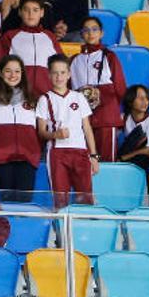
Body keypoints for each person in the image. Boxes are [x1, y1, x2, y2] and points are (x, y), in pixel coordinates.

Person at [36, 54, 100, 209]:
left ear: (69, 74)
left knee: (85, 197)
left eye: (63, 72)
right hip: (57, 153)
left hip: (80, 152)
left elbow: (87, 128)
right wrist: (55, 135)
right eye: (55, 73)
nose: (59, 77)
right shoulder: (45, 99)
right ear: (49, 75)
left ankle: (84, 231)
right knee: (60, 198)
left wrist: (93, 155)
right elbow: (41, 131)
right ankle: (61, 232)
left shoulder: (78, 97)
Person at [70, 16, 127, 161]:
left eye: (95, 29)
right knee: (85, 163)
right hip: (82, 120)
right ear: (81, 34)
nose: (90, 33)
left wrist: (113, 110)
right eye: (86, 30)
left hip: (106, 118)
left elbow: (120, 88)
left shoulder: (109, 56)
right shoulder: (74, 60)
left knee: (107, 162)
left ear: (101, 33)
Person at [0, 55, 41, 201]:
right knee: (8, 201)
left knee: (24, 202)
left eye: (17, 71)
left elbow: (40, 129)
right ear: (0, 73)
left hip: (27, 158)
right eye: (8, 71)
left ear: (22, 73)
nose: (13, 75)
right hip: (1, 159)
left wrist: (35, 151)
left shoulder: (33, 99)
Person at [0, 0, 62, 96]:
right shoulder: (10, 36)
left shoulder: (50, 37)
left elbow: (61, 66)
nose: (30, 14)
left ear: (42, 12)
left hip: (46, 96)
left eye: (35, 10)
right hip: (17, 96)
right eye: (26, 10)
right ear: (19, 12)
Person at [120, 85, 149, 174]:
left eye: (147, 99)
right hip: (130, 157)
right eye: (140, 98)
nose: (145, 102)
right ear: (130, 101)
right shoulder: (123, 117)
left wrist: (125, 157)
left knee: (138, 160)